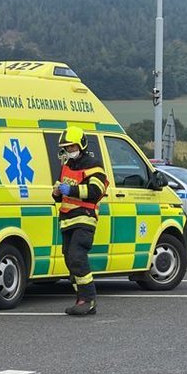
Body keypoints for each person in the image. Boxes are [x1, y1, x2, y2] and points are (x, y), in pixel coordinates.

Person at [52, 126, 108, 316]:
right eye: (67, 148)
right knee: (69, 259)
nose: (69, 151)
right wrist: (57, 192)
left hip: (85, 218)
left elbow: (95, 192)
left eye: (72, 147)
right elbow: (60, 195)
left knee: (77, 256)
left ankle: (88, 299)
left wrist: (72, 190)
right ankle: (81, 298)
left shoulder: (94, 165)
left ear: (81, 145)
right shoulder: (67, 166)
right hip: (67, 219)